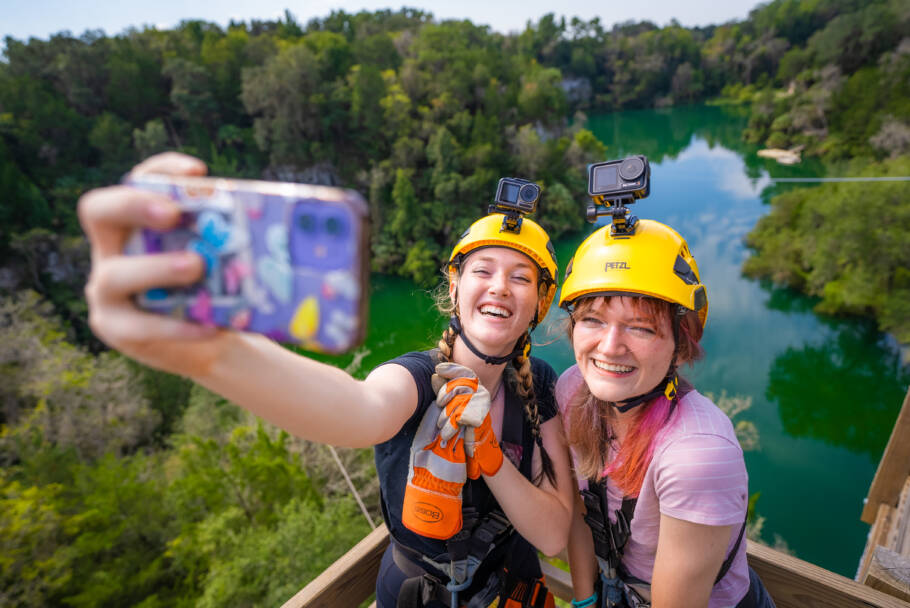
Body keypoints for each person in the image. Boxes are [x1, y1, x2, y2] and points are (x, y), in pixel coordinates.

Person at [78, 152, 574, 607]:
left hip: (504, 591)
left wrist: (490, 457)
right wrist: (216, 355)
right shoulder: (419, 379)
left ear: (539, 303)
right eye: (483, 270)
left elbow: (553, 535)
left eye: (521, 278)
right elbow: (360, 409)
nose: (499, 288)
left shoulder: (540, 385)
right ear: (456, 285)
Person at [555, 218, 775, 608]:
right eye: (592, 319)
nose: (609, 347)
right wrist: (585, 601)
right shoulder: (573, 389)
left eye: (640, 328)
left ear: (680, 343)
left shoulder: (698, 455)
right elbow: (578, 513)